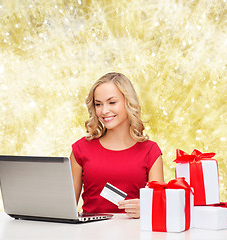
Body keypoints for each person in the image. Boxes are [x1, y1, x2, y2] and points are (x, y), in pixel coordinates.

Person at [70, 72, 164, 219]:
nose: (104, 111)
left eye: (112, 102)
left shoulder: (150, 151)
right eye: (98, 104)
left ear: (128, 102)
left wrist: (148, 208)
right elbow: (67, 209)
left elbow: (160, 207)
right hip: (90, 233)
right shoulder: (80, 149)